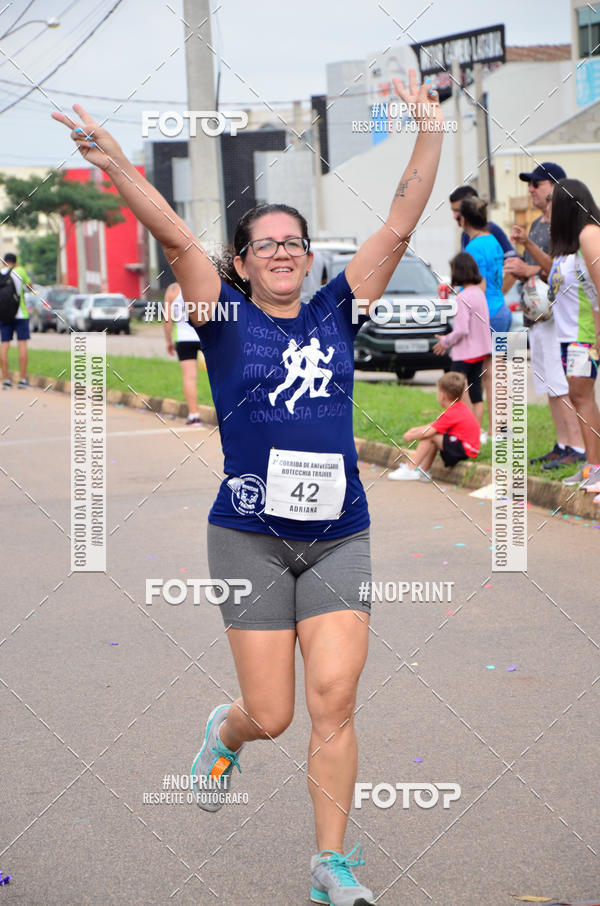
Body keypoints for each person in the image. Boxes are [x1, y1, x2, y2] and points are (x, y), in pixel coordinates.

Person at [53, 70, 444, 906]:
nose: (281, 251)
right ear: (240, 261)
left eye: (292, 241)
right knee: (273, 714)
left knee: (334, 701)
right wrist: (118, 166)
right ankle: (226, 733)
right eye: (264, 244)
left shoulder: (337, 310)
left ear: (309, 255)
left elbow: (400, 222)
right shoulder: (224, 318)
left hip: (339, 533)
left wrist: (430, 130)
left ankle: (330, 864)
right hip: (248, 537)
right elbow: (174, 239)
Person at [517, 178, 600, 493]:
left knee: (582, 398)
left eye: (554, 202)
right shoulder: (568, 247)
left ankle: (596, 468)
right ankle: (591, 464)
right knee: (579, 399)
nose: (548, 208)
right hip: (566, 336)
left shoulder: (589, 235)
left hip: (584, 336)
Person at [504, 162, 585, 470]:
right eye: (529, 184)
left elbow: (559, 269)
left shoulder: (569, 223)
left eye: (536, 184)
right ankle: (563, 444)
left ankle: (577, 446)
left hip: (558, 315)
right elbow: (536, 269)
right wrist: (519, 268)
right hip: (536, 315)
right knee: (549, 383)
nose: (531, 189)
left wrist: (529, 264)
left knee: (562, 383)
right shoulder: (538, 224)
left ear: (554, 186)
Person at [457, 196, 512, 436]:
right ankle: (498, 428)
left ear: (464, 219)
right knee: (495, 372)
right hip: (501, 309)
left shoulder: (473, 248)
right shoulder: (494, 241)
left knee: (465, 372)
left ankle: (475, 428)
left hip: (483, 313)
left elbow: (475, 286)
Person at [431, 252, 491, 428]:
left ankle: (465, 428)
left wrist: (445, 341)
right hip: (480, 352)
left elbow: (462, 329)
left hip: (464, 354)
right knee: (476, 394)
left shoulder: (463, 298)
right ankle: (476, 433)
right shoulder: (479, 293)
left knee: (456, 393)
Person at [388, 371, 480, 481]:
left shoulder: (452, 413)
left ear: (442, 395)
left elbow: (428, 432)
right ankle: (424, 471)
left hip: (464, 449)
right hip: (465, 448)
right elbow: (434, 425)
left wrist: (410, 436)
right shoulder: (458, 408)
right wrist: (414, 430)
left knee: (431, 436)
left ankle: (411, 468)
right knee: (434, 434)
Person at [162, 281, 203, 425]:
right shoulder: (203, 284)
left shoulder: (172, 289)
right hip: (205, 336)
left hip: (184, 338)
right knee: (218, 377)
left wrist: (168, 341)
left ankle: (194, 416)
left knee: (189, 378)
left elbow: (167, 319)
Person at [449, 185, 515, 259]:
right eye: (453, 211)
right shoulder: (465, 235)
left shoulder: (492, 230)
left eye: (457, 210)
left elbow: (513, 259)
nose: (454, 216)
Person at [0, 252, 32, 389]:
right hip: (20, 314)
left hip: (3, 315)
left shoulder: (0, 273)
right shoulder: (20, 271)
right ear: (15, 261)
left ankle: (6, 380)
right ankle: (22, 379)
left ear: (4, 262)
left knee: (4, 345)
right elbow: (31, 286)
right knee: (22, 345)